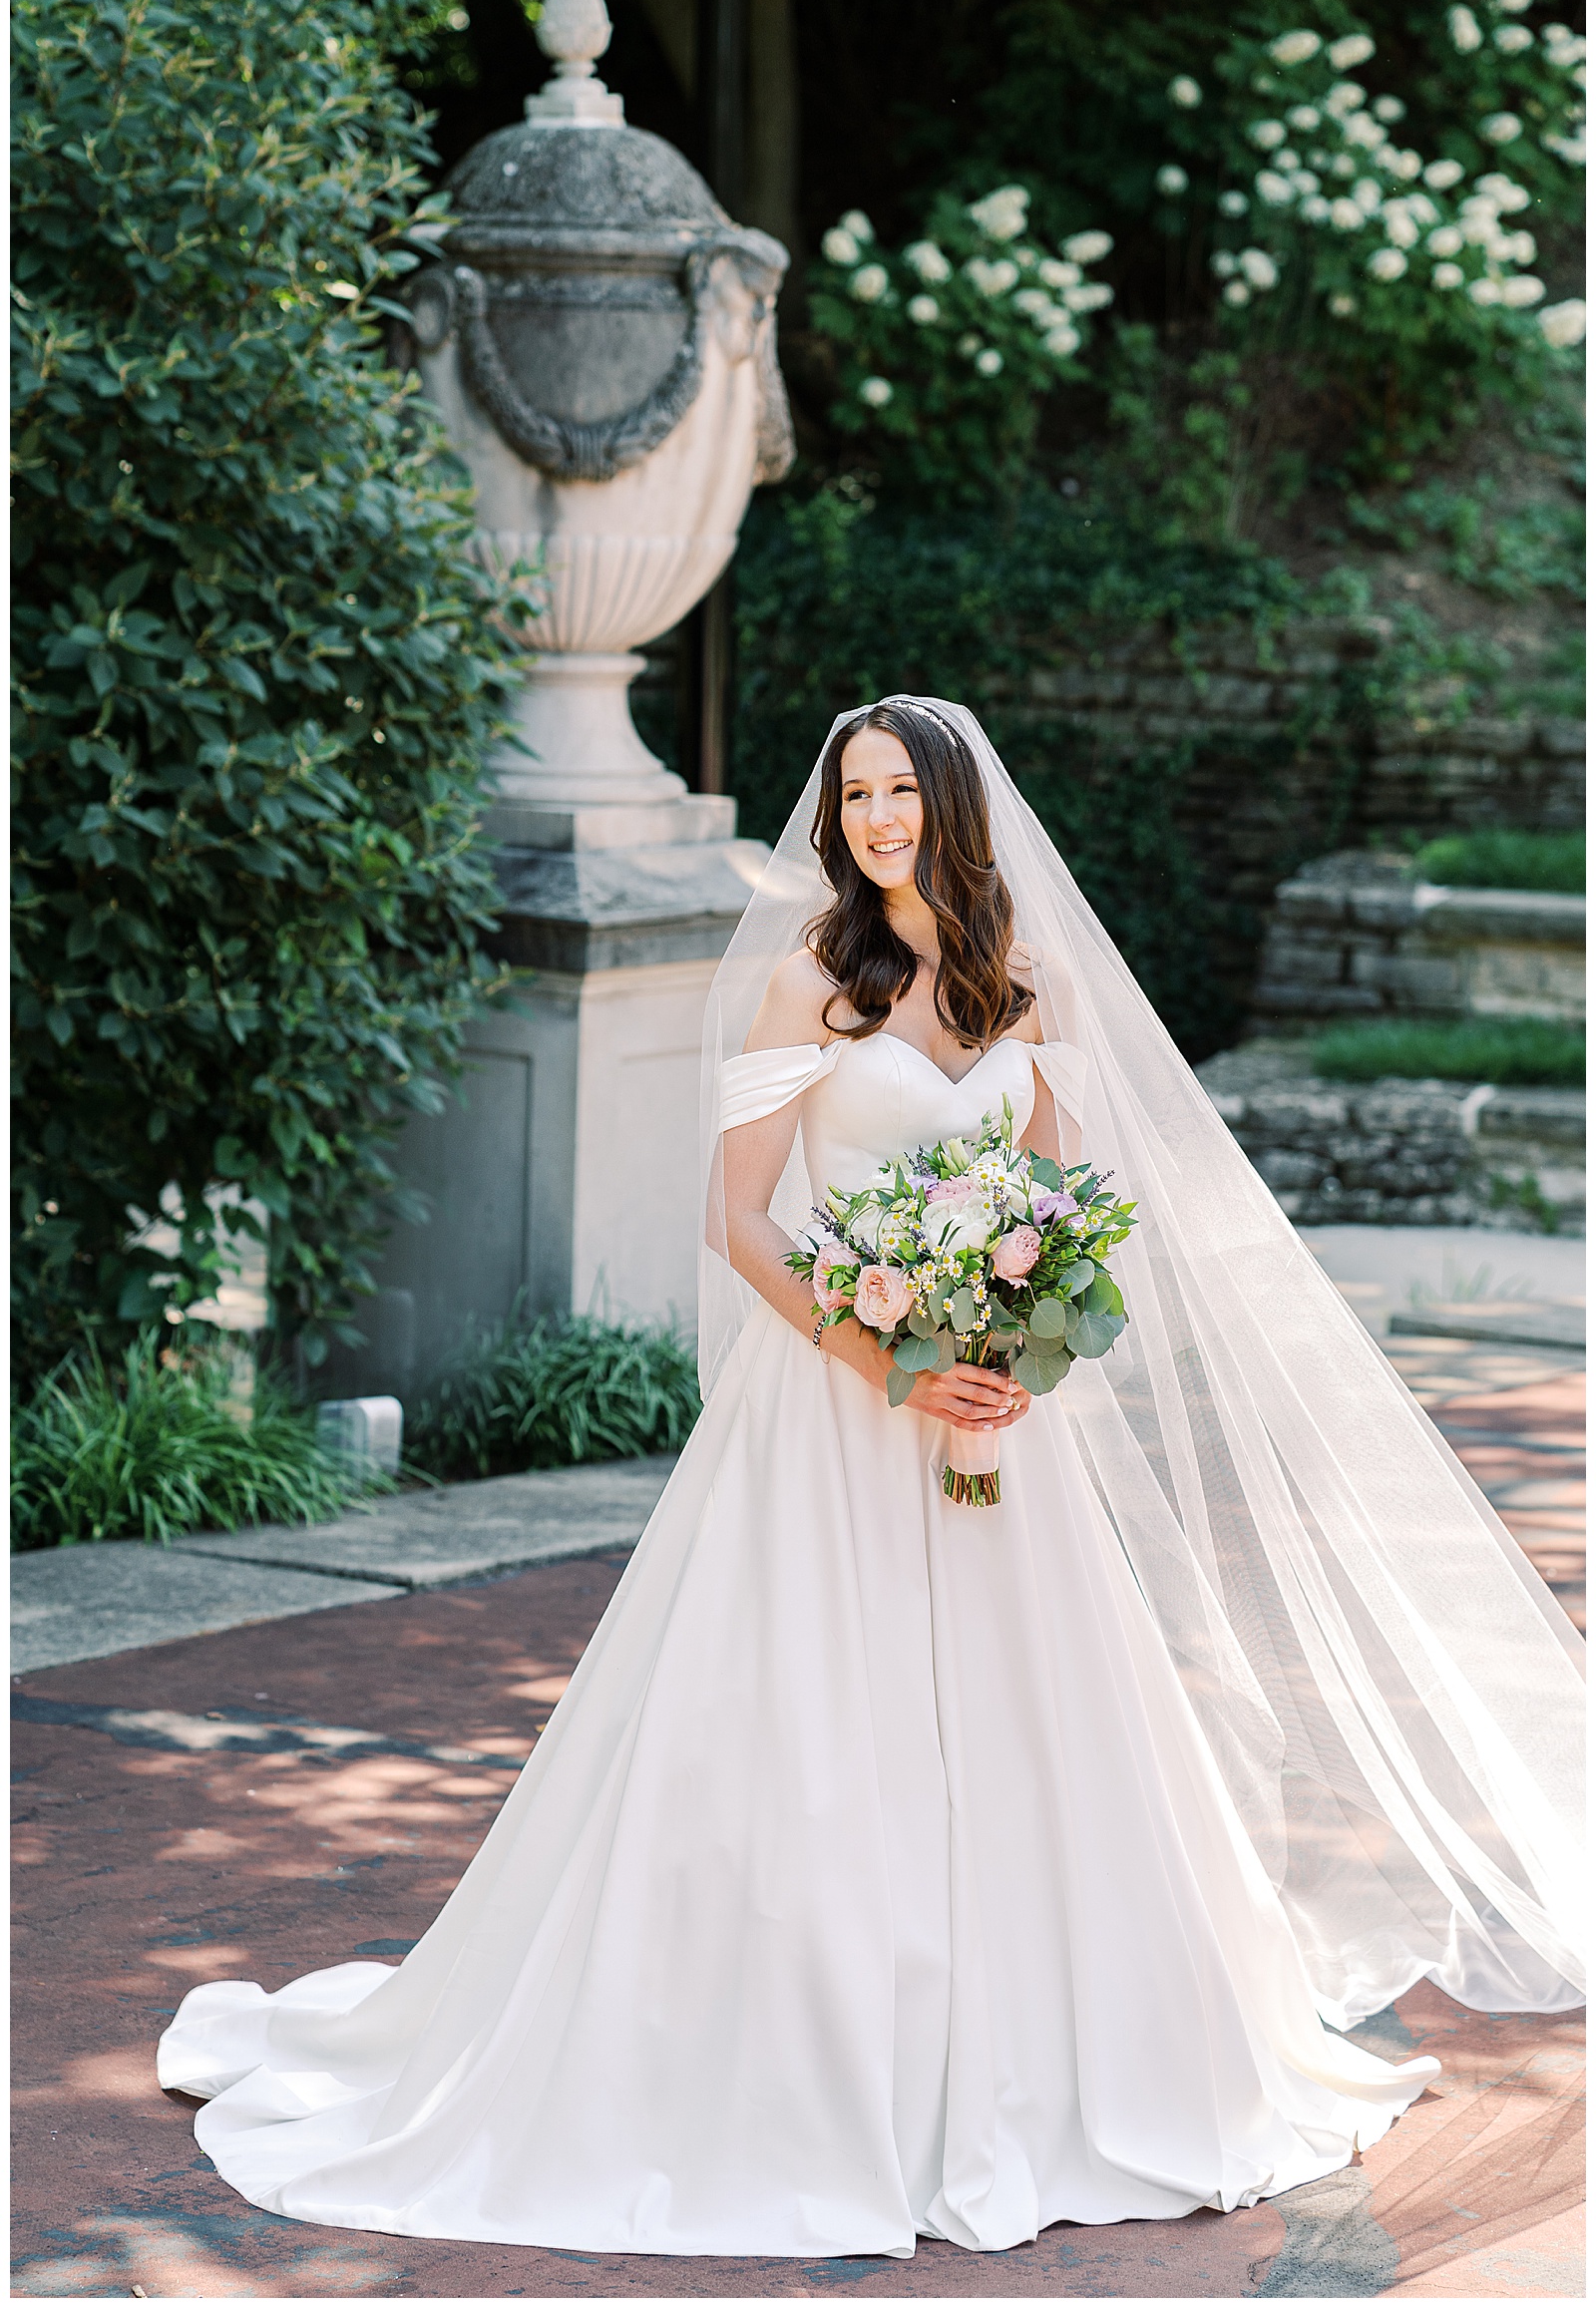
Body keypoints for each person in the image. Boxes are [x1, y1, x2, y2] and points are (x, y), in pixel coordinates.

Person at [159, 696, 1583, 2256]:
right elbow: (740, 1219)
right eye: (856, 794)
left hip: (985, 1424)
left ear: (954, 808)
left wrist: (1011, 1344)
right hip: (833, 1412)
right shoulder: (809, 987)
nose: (878, 817)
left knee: (1036, 1729)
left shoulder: (1023, 984)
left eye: (903, 789)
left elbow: (1059, 1199)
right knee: (814, 1718)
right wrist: (882, 1350)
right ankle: (808, 2067)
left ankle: (1048, 2060)